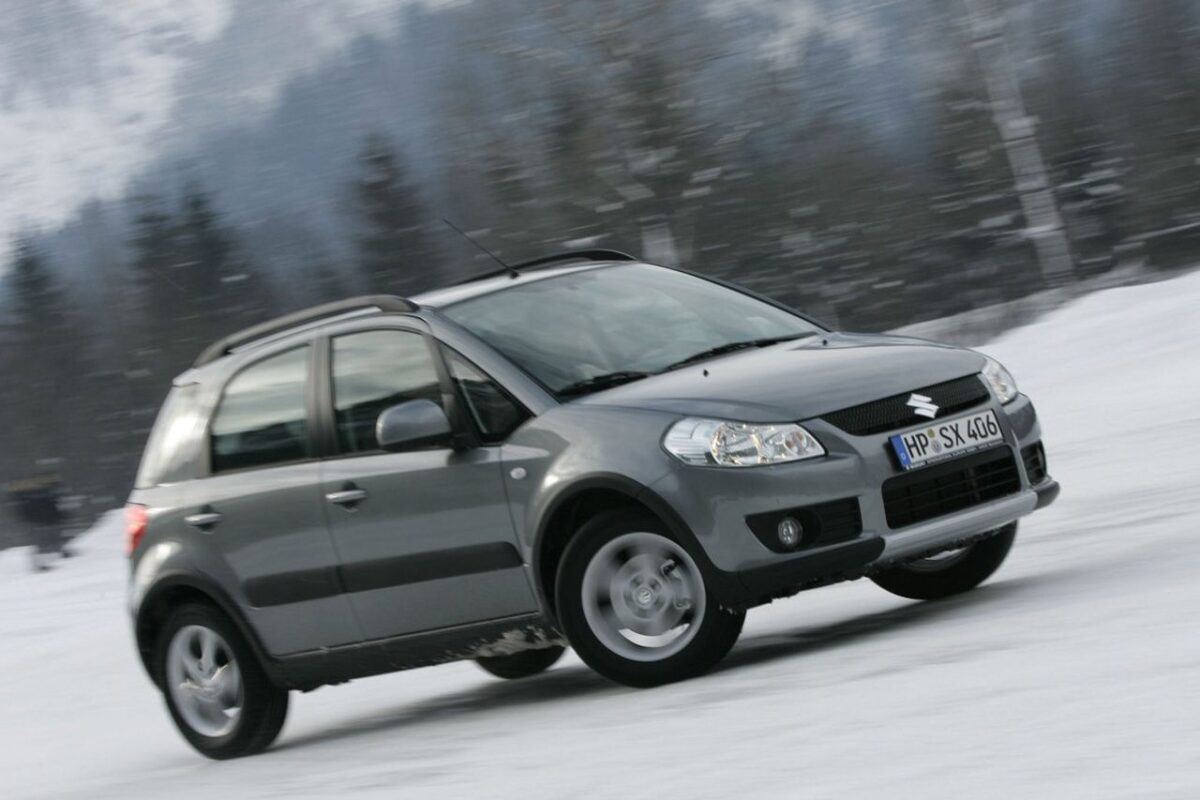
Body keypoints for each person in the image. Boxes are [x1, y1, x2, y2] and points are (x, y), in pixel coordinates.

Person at [6, 475, 66, 572]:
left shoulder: (38, 493)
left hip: (43, 518)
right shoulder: (32, 494)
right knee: (42, 541)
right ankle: (39, 564)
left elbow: (48, 504)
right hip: (39, 520)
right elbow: (33, 508)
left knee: (51, 537)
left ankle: (57, 552)